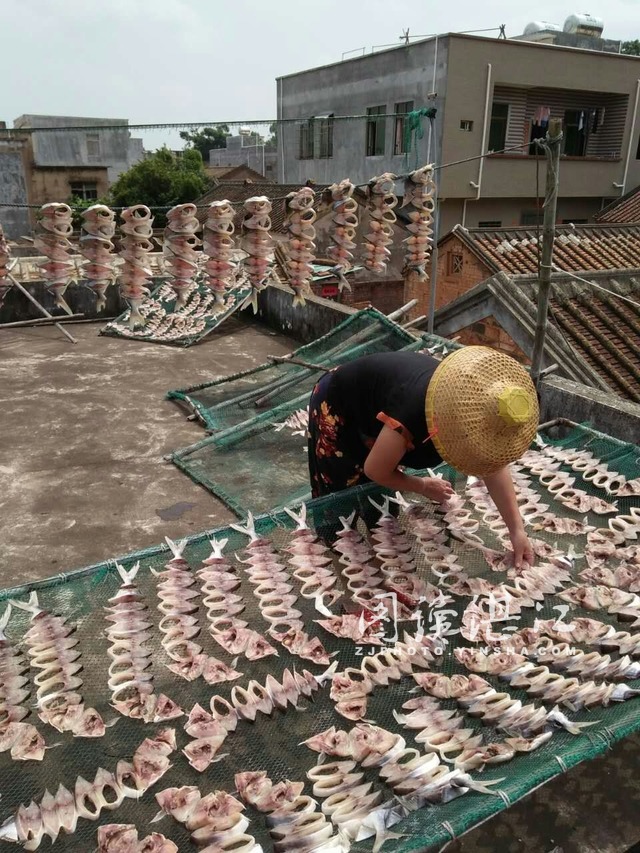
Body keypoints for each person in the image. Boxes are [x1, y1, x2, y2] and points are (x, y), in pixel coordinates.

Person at [307, 346, 539, 567]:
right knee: (339, 505)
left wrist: (516, 530)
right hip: (338, 404)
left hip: (383, 407)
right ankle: (352, 593)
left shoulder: (481, 412)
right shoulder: (415, 411)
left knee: (380, 508)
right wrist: (422, 486)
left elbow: (492, 465)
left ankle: (382, 576)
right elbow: (376, 470)